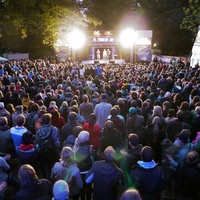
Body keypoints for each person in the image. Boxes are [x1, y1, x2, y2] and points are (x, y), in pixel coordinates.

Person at [34, 113, 60, 179]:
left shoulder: (39, 131)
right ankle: (54, 177)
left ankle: (47, 178)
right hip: (52, 151)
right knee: (54, 165)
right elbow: (57, 142)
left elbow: (36, 143)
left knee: (46, 166)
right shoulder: (55, 129)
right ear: (50, 121)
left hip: (43, 152)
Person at [73, 131, 93, 200]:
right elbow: (90, 157)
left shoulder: (75, 147)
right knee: (88, 187)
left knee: (81, 188)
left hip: (79, 171)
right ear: (87, 138)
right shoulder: (90, 147)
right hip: (88, 171)